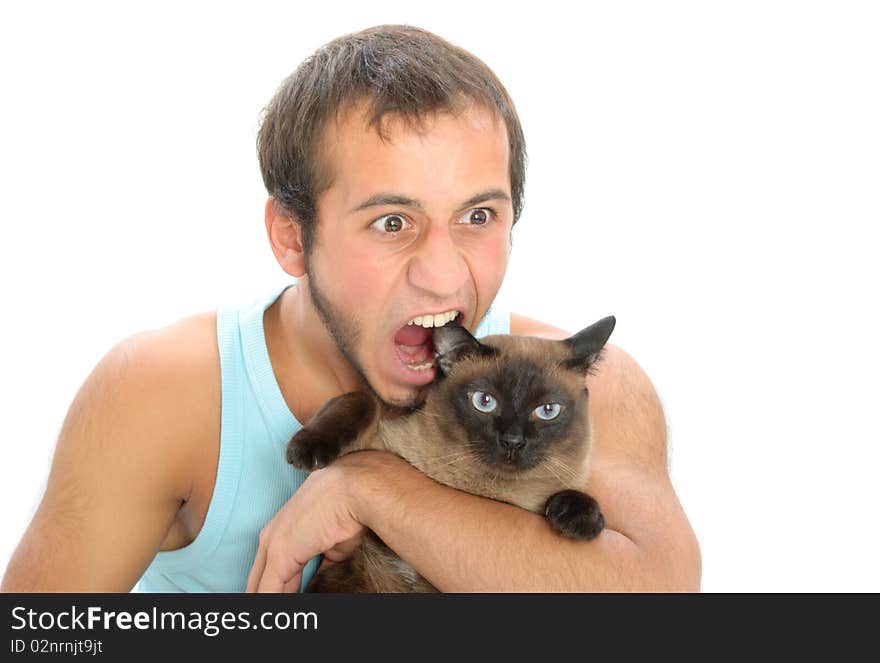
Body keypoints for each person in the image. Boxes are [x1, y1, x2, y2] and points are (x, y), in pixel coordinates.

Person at [1, 25, 700, 593]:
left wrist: (368, 488)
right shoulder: (166, 391)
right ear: (291, 237)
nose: (441, 273)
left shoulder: (585, 384)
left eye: (478, 214)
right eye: (392, 222)